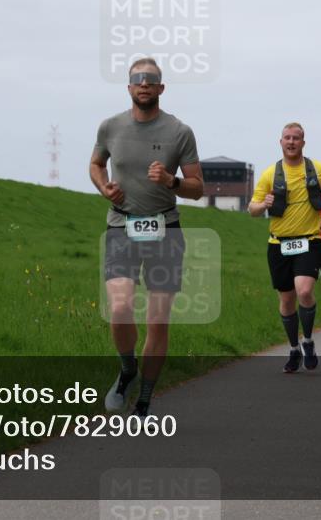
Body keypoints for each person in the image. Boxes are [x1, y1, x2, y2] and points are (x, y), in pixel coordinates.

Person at [90, 58, 204, 417]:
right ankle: (127, 370)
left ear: (161, 88)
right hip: (121, 226)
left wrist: (172, 181)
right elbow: (96, 164)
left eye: (150, 80)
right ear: (128, 87)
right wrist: (104, 187)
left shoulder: (179, 132)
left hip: (164, 229)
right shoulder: (110, 126)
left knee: (157, 320)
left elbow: (197, 188)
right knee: (120, 307)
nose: (144, 84)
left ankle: (144, 398)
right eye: (137, 79)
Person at [249, 122, 321, 373]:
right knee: (287, 299)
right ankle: (293, 348)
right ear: (280, 142)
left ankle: (308, 340)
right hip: (278, 244)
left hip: (309, 241)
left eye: (296, 138)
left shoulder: (318, 169)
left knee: (304, 291)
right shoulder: (270, 174)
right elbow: (252, 209)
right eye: (287, 138)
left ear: (303, 142)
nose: (291, 142)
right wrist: (264, 203)